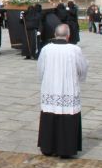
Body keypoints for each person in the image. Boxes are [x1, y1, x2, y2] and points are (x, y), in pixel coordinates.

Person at [37, 24, 89, 158]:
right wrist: (79, 78)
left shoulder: (46, 49)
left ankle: (48, 147)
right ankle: (65, 149)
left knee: (50, 113)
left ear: (55, 34)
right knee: (67, 114)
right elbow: (82, 68)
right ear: (68, 35)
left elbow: (40, 68)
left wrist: (45, 80)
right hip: (68, 87)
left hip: (51, 87)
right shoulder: (75, 49)